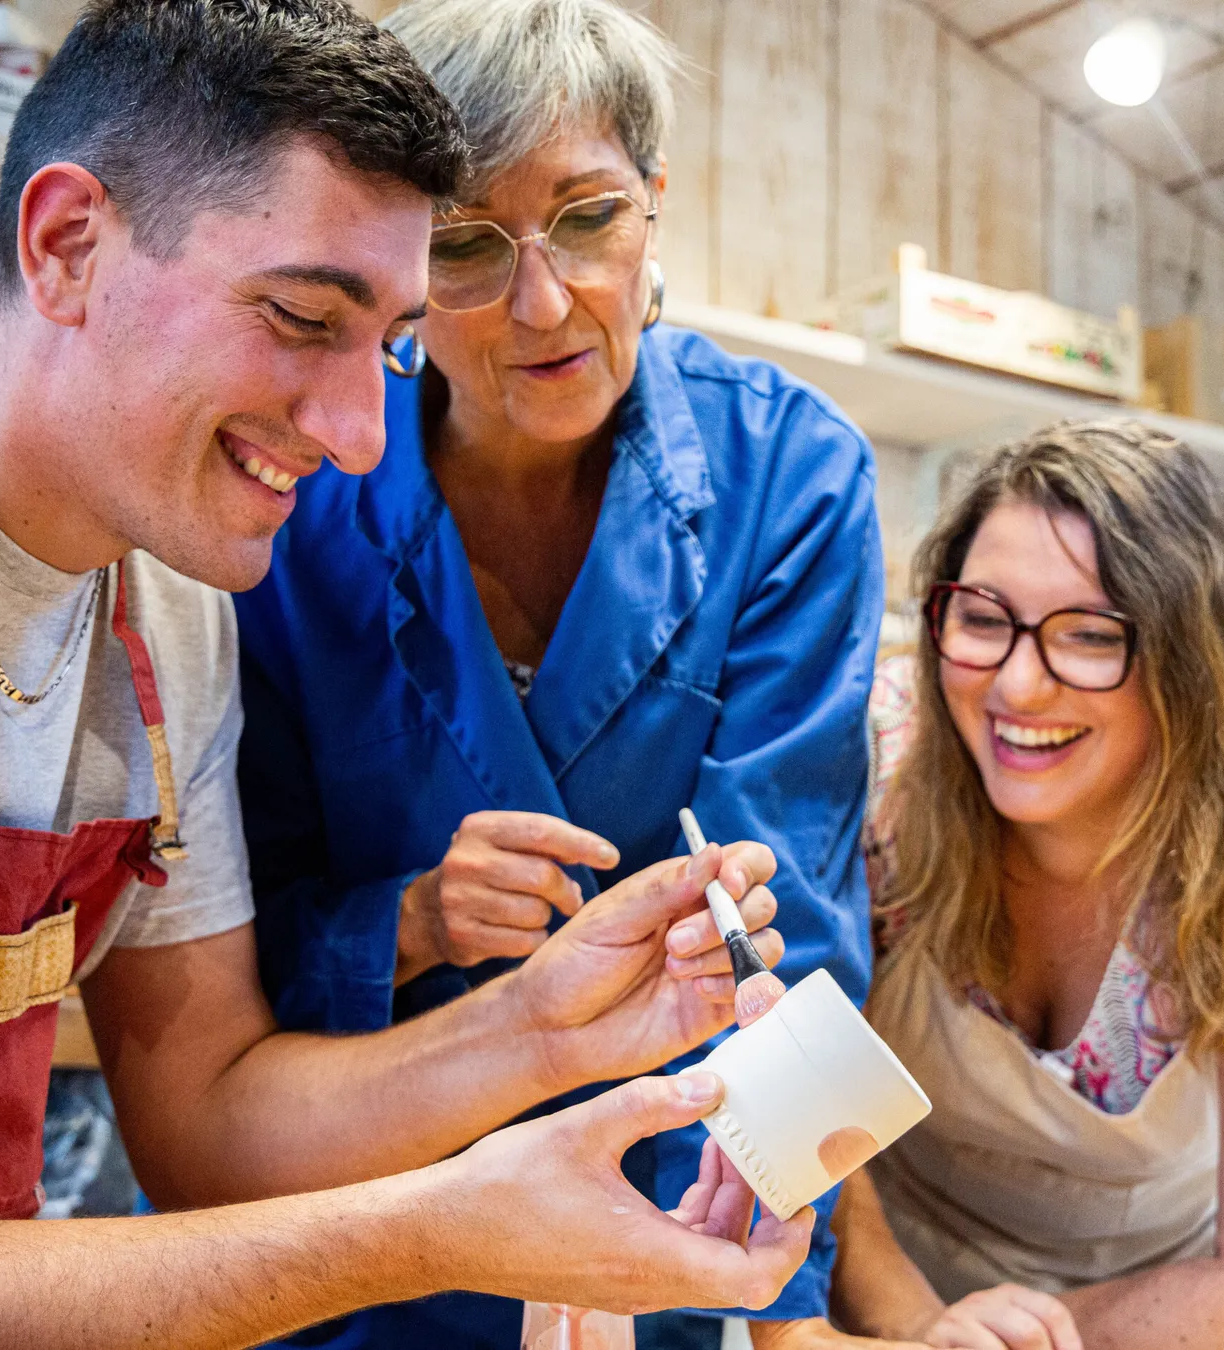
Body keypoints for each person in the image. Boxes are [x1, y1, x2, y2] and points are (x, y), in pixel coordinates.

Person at [0, 2, 818, 1344]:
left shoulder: (170, 593)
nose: (363, 438)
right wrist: (438, 1225)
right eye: (302, 316)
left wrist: (544, 1030)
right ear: (69, 245)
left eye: (385, 340)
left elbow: (208, 1126)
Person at [233, 2, 883, 1346]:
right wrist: (410, 919)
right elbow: (211, 962)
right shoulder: (294, 499)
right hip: (349, 1240)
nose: (544, 304)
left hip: (668, 1229)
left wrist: (779, 1299)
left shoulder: (791, 476)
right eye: (468, 247)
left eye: (588, 220)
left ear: (654, 204)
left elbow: (796, 933)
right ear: (400, 264)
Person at [822, 422, 1224, 1350]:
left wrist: (999, 1343)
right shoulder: (880, 765)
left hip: (1183, 1324)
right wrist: (914, 1324)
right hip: (877, 1304)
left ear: (1194, 662)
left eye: (1090, 636)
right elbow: (788, 1076)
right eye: (983, 620)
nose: (1019, 685)